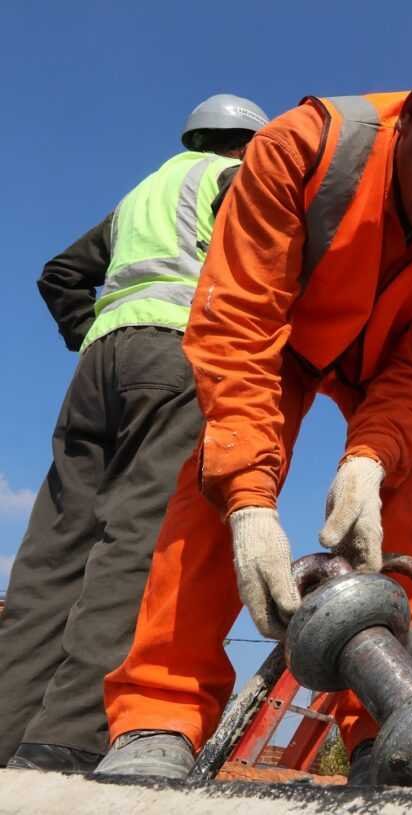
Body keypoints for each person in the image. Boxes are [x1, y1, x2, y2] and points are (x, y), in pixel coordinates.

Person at [93, 1, 412, 780]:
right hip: (285, 338)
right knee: (218, 474)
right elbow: (239, 326)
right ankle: (159, 712)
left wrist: (371, 459)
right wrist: (252, 501)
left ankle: (391, 728)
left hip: (388, 365)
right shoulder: (306, 148)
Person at [0, 94, 268, 773]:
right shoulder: (227, 178)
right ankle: (66, 737)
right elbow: (274, 245)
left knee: (48, 558)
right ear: (245, 144)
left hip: (99, 366)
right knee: (139, 544)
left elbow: (61, 274)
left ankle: (7, 733)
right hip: (178, 358)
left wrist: (88, 334)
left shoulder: (139, 198)